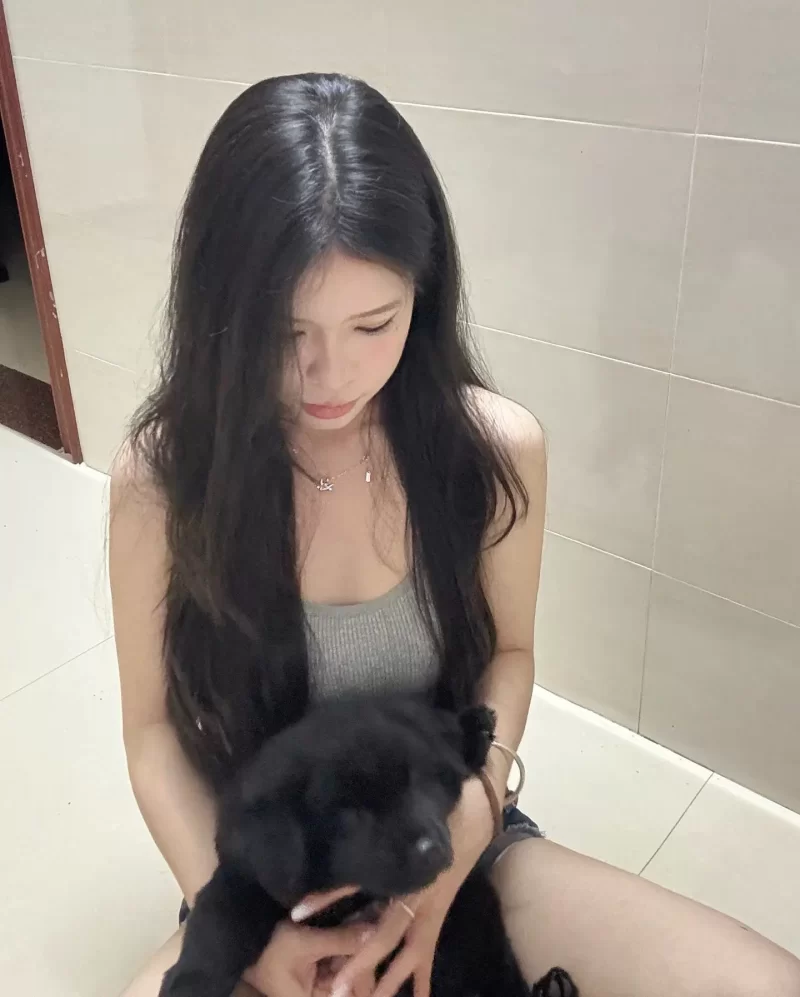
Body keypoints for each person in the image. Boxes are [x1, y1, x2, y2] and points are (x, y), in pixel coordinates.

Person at [110, 73, 800, 997]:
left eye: (372, 324)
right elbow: (152, 734)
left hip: (448, 837)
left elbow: (509, 653)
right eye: (283, 333)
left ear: (422, 293)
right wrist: (247, 935)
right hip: (264, 880)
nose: (329, 374)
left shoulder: (492, 453)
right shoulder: (165, 479)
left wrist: (476, 808)